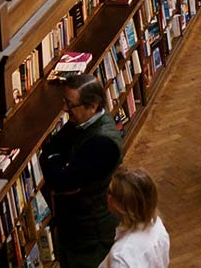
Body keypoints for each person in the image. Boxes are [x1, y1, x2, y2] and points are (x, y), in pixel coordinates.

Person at [40, 74, 124, 268]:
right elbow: (48, 152)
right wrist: (56, 162)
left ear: (92, 105)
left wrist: (56, 163)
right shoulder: (82, 122)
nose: (64, 109)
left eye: (70, 104)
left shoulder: (104, 143)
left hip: (90, 234)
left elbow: (61, 182)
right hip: (73, 228)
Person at [100, 167, 170, 268]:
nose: (107, 195)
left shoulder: (120, 256)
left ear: (121, 206)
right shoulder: (156, 224)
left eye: (110, 192)